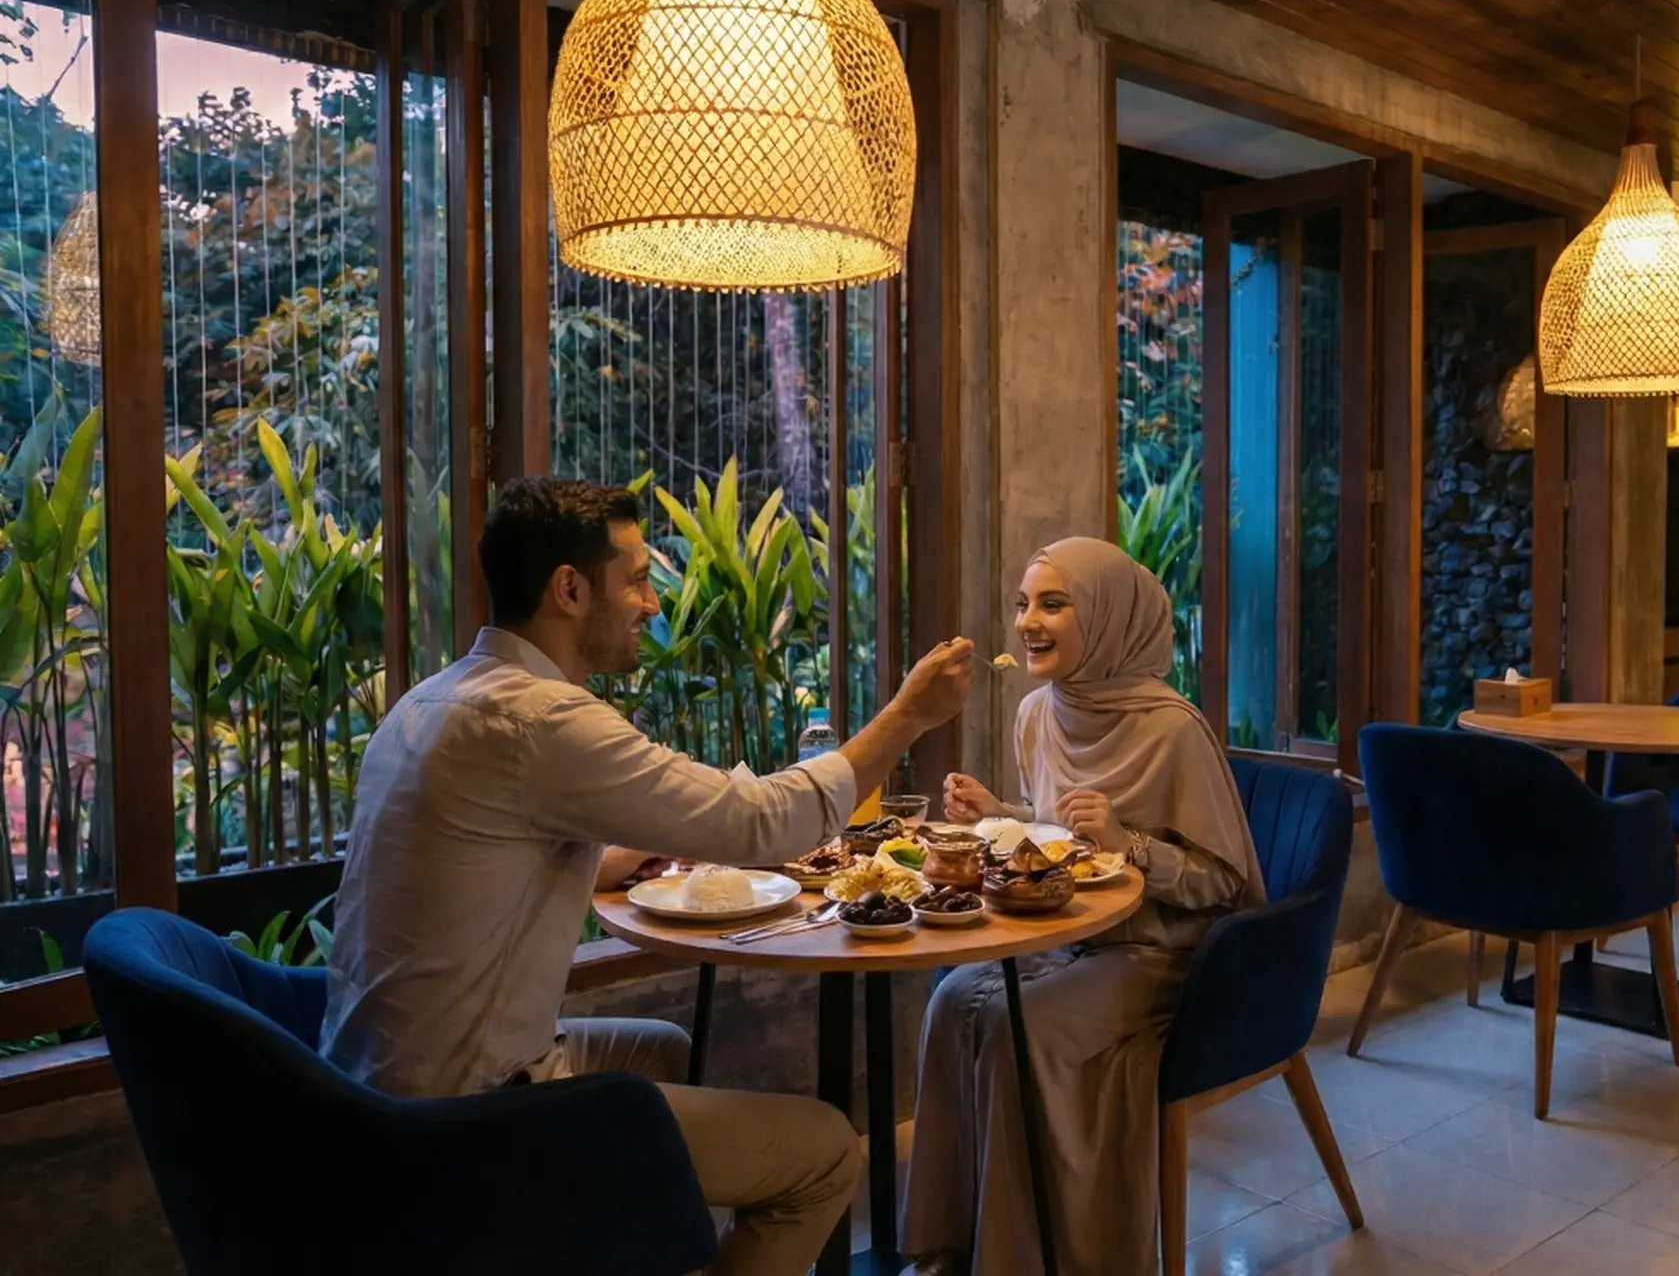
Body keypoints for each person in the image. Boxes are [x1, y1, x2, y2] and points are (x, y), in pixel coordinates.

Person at [321, 476, 974, 1275]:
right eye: (636, 579)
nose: (652, 603)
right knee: (827, 1155)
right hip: (471, 1115)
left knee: (660, 1049)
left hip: (366, 1088)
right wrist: (906, 715)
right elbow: (759, 823)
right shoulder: (543, 721)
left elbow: (492, 843)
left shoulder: (435, 699)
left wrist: (610, 852)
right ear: (568, 589)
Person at [900, 536, 1264, 1275]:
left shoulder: (1173, 729)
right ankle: (949, 1244)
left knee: (1011, 1028)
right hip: (1063, 935)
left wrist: (1129, 842)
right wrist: (993, 814)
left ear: (1108, 616)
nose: (1029, 621)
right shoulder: (1038, 713)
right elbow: (1054, 838)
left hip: (1159, 953)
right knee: (949, 1005)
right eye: (1023, 604)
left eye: (1053, 604)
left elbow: (1222, 881)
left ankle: (1021, 1259)